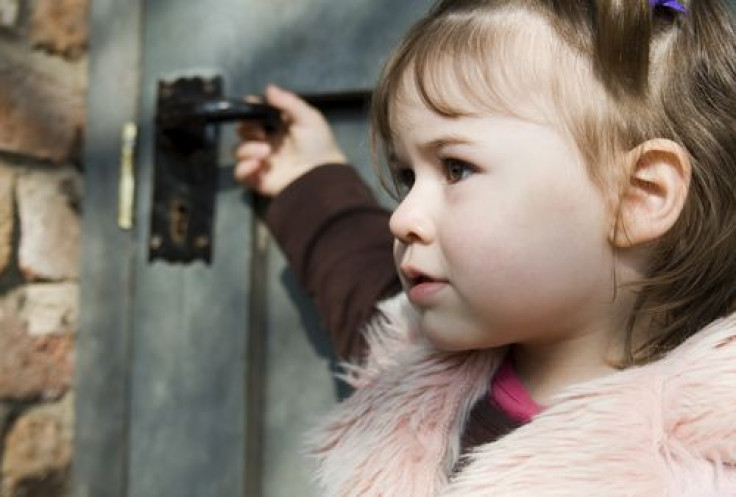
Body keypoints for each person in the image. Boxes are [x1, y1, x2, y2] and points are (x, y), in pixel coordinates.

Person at [235, 0, 736, 495]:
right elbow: (356, 276)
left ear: (638, 196)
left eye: (456, 168)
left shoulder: (694, 467)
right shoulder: (418, 375)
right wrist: (308, 174)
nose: (403, 216)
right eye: (407, 176)